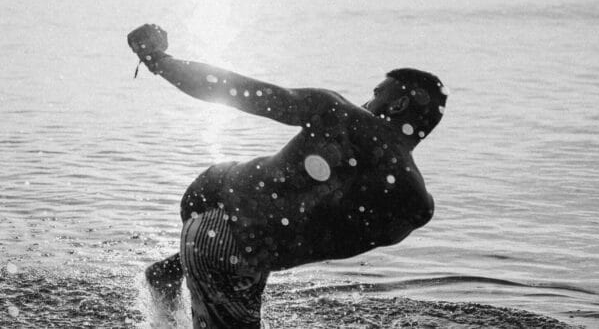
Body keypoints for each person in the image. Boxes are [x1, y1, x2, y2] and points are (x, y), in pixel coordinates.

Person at [128, 24, 448, 328]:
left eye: (377, 93)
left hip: (218, 230)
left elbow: (236, 91)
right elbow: (309, 232)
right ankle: (181, 264)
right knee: (274, 232)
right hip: (242, 251)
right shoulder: (417, 204)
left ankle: (181, 264)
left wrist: (158, 59)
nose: (367, 100)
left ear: (400, 103)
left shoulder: (341, 115)